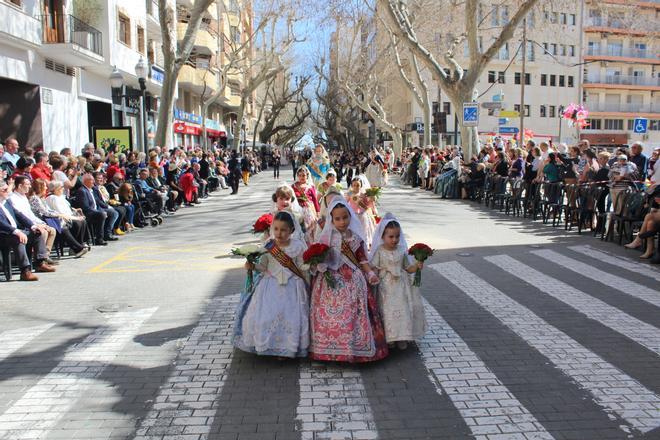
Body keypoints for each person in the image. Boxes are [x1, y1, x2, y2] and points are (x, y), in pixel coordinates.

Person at [309, 200, 388, 363]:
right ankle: (326, 348)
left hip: (353, 278)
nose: (342, 222)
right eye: (337, 219)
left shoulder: (355, 238)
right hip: (329, 279)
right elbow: (318, 259)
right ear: (332, 219)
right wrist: (320, 265)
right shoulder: (326, 238)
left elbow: (362, 259)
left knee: (354, 312)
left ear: (350, 217)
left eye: (345, 218)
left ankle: (353, 348)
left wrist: (370, 274)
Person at [233, 211, 310, 358]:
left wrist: (312, 264)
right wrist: (252, 266)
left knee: (292, 317)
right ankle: (269, 346)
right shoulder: (268, 247)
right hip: (270, 287)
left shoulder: (298, 246)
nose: (279, 233)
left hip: (293, 287)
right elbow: (263, 267)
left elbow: (301, 265)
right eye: (276, 229)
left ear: (292, 231)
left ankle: (288, 347)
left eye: (283, 230)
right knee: (267, 316)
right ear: (271, 229)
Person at [369, 214, 426, 350]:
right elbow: (373, 267)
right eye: (391, 237)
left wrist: (417, 265)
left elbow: (408, 268)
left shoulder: (401, 250)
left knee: (402, 310)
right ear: (382, 236)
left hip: (400, 287)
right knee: (388, 311)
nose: (394, 240)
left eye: (397, 236)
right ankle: (390, 337)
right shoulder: (379, 251)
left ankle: (402, 336)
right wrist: (373, 275)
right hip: (386, 287)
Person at [0, 180, 55, 280]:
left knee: (37, 233)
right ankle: (25, 271)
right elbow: (1, 224)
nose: (7, 191)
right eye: (4, 190)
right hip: (4, 234)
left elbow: (19, 215)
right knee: (18, 239)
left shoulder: (6, 201)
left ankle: (40, 262)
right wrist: (16, 231)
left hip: (15, 231)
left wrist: (32, 226)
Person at [30, 180, 88, 258]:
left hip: (46, 220)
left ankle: (78, 247)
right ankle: (78, 248)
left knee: (69, 226)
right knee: (62, 229)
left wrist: (58, 214)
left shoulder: (41, 198)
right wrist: (59, 214)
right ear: (40, 187)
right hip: (40, 221)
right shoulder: (35, 198)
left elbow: (48, 210)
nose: (46, 188)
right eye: (44, 186)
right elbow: (45, 212)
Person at [9, 176, 57, 261]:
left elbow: (30, 214)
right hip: (23, 225)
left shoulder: (24, 197)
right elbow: (22, 216)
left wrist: (41, 222)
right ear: (20, 186)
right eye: (27, 184)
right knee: (43, 232)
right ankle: (38, 259)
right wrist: (36, 225)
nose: (30, 186)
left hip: (31, 222)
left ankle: (45, 256)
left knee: (52, 230)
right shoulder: (13, 198)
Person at [46, 180, 90, 248]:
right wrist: (76, 218)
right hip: (61, 219)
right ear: (56, 189)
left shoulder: (59, 196)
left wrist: (74, 210)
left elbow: (67, 207)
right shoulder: (53, 198)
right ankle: (76, 246)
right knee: (78, 223)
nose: (63, 189)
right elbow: (61, 212)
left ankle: (80, 243)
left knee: (83, 221)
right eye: (61, 187)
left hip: (69, 216)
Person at [76, 174, 110, 245]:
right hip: (87, 213)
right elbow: (85, 207)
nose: (94, 182)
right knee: (102, 214)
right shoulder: (82, 191)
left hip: (94, 210)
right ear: (86, 181)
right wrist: (98, 211)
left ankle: (106, 234)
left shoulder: (91, 190)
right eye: (92, 180)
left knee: (110, 213)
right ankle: (99, 239)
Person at [346, 176, 377, 249]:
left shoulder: (363, 194)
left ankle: (364, 248)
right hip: (353, 216)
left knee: (364, 232)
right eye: (354, 185)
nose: (356, 187)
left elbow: (367, 206)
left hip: (362, 216)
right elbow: (344, 203)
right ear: (351, 185)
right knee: (353, 232)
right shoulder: (349, 194)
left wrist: (372, 200)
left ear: (361, 186)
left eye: (358, 185)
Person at [292, 166, 320, 243]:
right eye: (300, 175)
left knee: (310, 229)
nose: (302, 177)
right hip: (298, 211)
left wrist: (318, 212)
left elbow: (314, 200)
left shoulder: (310, 186)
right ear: (297, 176)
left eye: (304, 175)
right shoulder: (293, 186)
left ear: (307, 176)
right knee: (300, 228)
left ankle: (311, 244)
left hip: (309, 211)